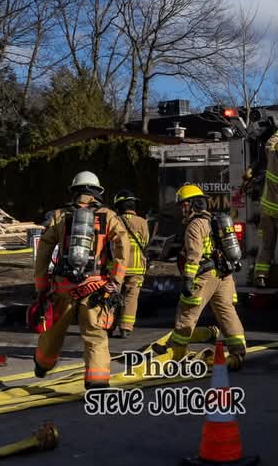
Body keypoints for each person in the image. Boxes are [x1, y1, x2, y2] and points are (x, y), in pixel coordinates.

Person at [32, 171, 129, 389]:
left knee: (54, 330)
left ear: (74, 191)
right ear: (97, 192)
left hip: (63, 286)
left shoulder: (59, 215)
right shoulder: (108, 216)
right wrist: (117, 280)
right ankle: (97, 379)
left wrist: (41, 285)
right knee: (95, 334)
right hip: (95, 286)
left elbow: (44, 253)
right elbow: (124, 247)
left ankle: (43, 364)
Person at [157, 184, 247, 369]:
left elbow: (194, 254)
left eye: (183, 205)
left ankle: (176, 355)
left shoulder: (194, 225)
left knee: (187, 313)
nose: (182, 209)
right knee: (227, 313)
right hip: (224, 276)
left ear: (191, 204)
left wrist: (189, 279)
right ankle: (238, 352)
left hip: (205, 276)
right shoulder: (213, 221)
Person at [111, 189, 150, 338]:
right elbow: (145, 242)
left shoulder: (114, 220)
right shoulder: (142, 222)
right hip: (136, 268)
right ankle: (126, 327)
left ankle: (108, 325)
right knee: (131, 297)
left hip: (116, 268)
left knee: (112, 295)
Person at [249, 118, 278, 287]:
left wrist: (277, 133)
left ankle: (260, 276)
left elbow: (269, 144)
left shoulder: (273, 157)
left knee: (265, 246)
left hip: (267, 212)